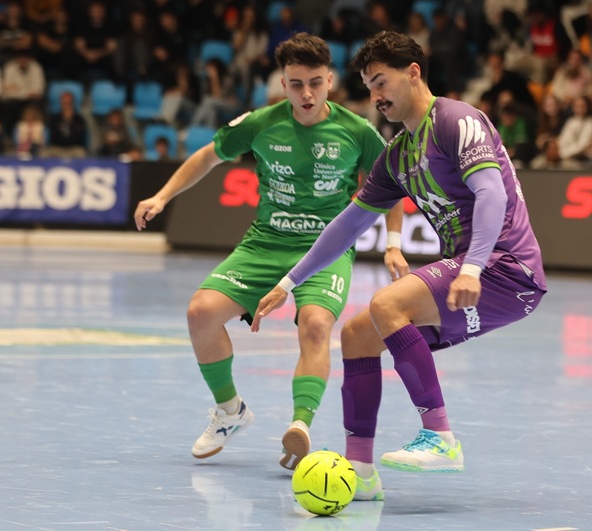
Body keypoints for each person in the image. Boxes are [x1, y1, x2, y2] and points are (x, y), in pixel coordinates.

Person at [252, 31, 547, 501]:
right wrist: (289, 282)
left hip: (505, 267)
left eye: (381, 82)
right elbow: (347, 225)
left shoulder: (456, 121)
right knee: (356, 334)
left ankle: (441, 438)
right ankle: (361, 471)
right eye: (369, 87)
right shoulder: (398, 154)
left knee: (387, 303)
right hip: (471, 268)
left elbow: (491, 193)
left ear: (413, 73)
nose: (376, 96)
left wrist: (472, 268)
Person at [133, 33, 406, 471]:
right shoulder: (261, 123)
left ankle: (300, 426)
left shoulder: (357, 131)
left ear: (330, 81)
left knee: (316, 324)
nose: (307, 94)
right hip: (265, 243)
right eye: (296, 84)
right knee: (200, 313)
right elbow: (207, 157)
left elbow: (391, 186)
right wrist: (162, 196)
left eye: (315, 82)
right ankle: (229, 411)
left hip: (325, 249)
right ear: (283, 84)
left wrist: (393, 244)